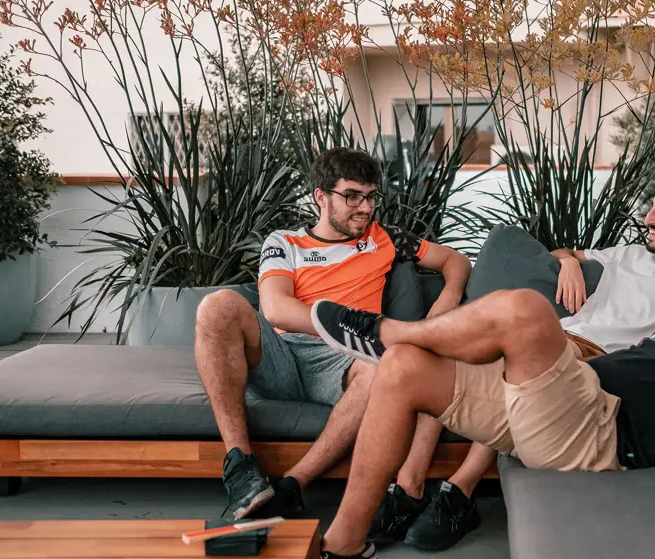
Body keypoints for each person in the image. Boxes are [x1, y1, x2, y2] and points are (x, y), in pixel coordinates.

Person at [307, 223, 655, 559]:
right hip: (567, 403)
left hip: (597, 434)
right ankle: (345, 548)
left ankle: (389, 331)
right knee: (402, 371)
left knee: (526, 311)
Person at [366, 173, 655, 552]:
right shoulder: (630, 254)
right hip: (560, 335)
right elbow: (565, 252)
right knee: (447, 357)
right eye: (652, 207)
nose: (649, 217)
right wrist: (570, 262)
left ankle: (460, 491)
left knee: (511, 368)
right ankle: (409, 488)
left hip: (601, 359)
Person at [193, 147, 473, 520]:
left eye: (371, 196)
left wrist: (448, 299)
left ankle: (293, 485)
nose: (365, 207)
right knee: (217, 305)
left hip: (347, 360)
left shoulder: (384, 237)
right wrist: (354, 324)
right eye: (352, 196)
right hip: (282, 353)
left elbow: (455, 259)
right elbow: (276, 309)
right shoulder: (285, 242)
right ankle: (241, 467)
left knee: (381, 371)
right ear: (321, 197)